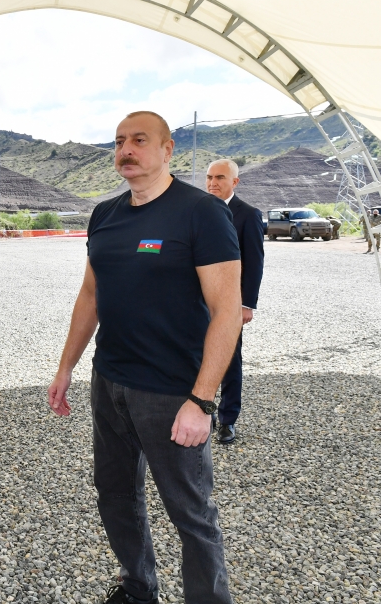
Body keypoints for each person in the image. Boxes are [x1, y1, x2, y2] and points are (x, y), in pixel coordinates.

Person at [48, 111, 241, 604]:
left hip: (172, 392)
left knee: (190, 512)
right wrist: (67, 366)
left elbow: (227, 312)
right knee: (115, 496)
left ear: (167, 149)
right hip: (109, 381)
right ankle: (138, 589)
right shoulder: (104, 215)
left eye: (139, 140)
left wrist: (202, 401)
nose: (126, 151)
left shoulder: (201, 212)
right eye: (119, 142)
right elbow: (90, 295)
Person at [205, 159, 264, 444]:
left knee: (229, 360)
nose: (212, 183)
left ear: (234, 182)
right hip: (198, 302)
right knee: (196, 358)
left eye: (219, 177)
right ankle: (205, 412)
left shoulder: (248, 215)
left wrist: (246, 304)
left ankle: (227, 420)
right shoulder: (199, 210)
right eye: (209, 177)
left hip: (230, 304)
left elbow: (254, 262)